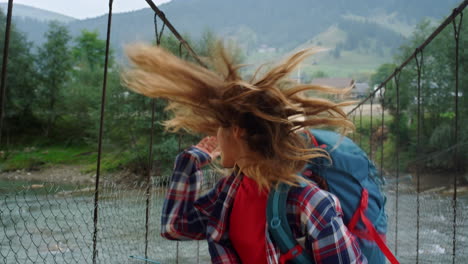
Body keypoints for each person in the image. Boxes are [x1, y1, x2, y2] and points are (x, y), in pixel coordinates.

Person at [123, 43, 367, 264]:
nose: (216, 136)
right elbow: (175, 227)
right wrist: (190, 161)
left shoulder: (309, 202)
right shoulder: (228, 192)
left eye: (219, 128)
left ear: (237, 132)